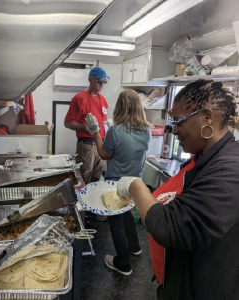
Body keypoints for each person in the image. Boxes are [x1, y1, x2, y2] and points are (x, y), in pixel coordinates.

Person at [116, 80, 239, 300]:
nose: (174, 131)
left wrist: (135, 185)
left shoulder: (230, 169)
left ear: (207, 118)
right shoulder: (205, 159)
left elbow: (169, 226)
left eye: (178, 121)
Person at [85, 89, 151, 276]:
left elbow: (104, 154)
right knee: (127, 213)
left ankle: (123, 263)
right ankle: (135, 246)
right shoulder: (146, 129)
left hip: (115, 184)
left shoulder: (115, 131)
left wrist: (96, 132)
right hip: (135, 183)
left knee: (115, 221)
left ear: (119, 107)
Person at [64, 66, 109, 184]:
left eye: (104, 81)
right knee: (83, 179)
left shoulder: (103, 100)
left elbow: (103, 122)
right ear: (90, 80)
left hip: (101, 146)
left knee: (96, 180)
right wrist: (86, 127)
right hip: (87, 146)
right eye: (99, 81)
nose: (102, 84)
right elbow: (67, 123)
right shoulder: (79, 99)